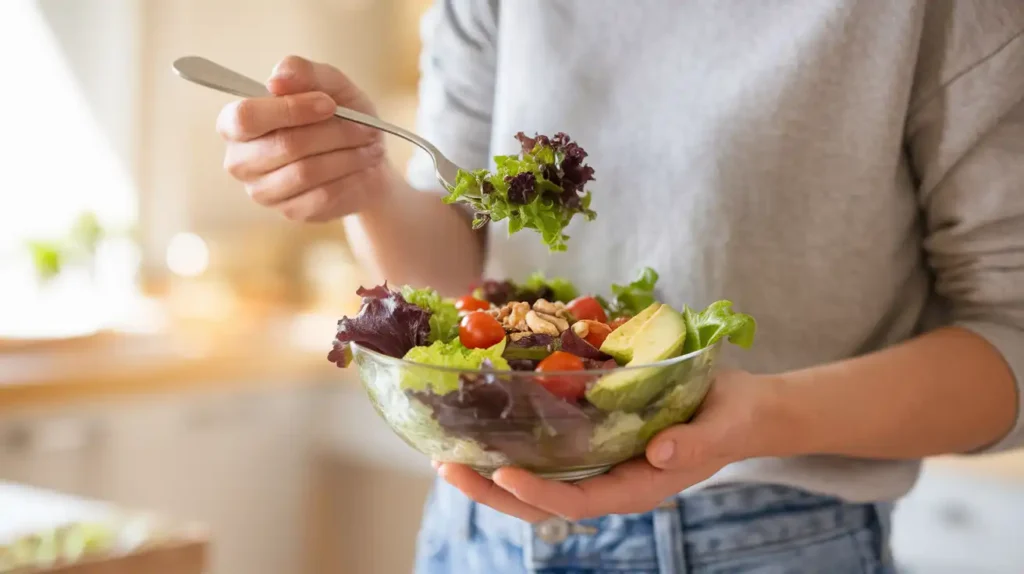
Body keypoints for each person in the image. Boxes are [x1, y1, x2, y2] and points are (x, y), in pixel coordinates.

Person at [216, 1, 1024, 572]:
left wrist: (758, 417)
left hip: (767, 542)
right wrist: (368, 187)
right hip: (477, 537)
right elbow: (467, 280)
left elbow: (1011, 338)